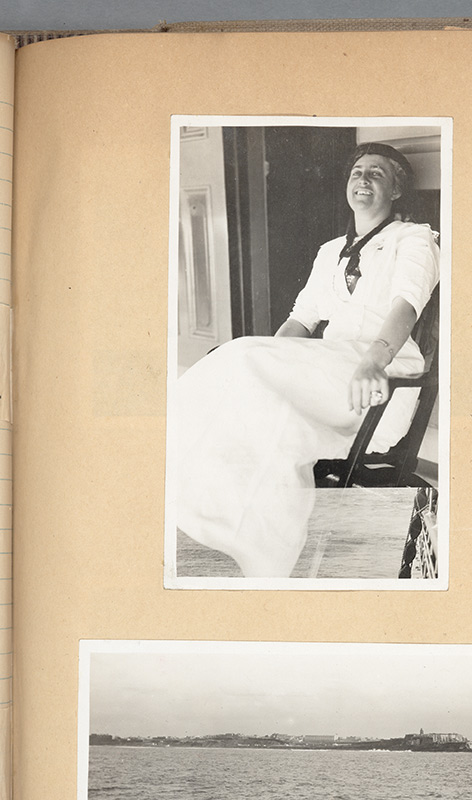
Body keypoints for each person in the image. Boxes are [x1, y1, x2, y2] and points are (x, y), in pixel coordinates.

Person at [176, 141, 440, 578]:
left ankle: (267, 545)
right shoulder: (330, 250)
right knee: (236, 366)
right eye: (357, 172)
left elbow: (408, 304)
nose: (363, 180)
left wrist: (375, 359)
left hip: (378, 377)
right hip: (327, 364)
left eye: (377, 173)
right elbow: (301, 319)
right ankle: (220, 522)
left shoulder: (414, 239)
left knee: (240, 359)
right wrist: (268, 351)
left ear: (396, 190)